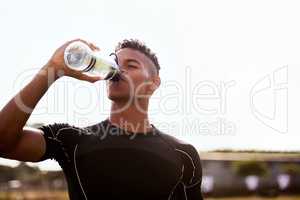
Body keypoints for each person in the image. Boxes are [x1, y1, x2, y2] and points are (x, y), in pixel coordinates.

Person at [0, 38, 203, 200]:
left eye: (131, 65)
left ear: (153, 83)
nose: (118, 70)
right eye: (115, 63)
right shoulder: (71, 140)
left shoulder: (182, 153)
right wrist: (51, 70)